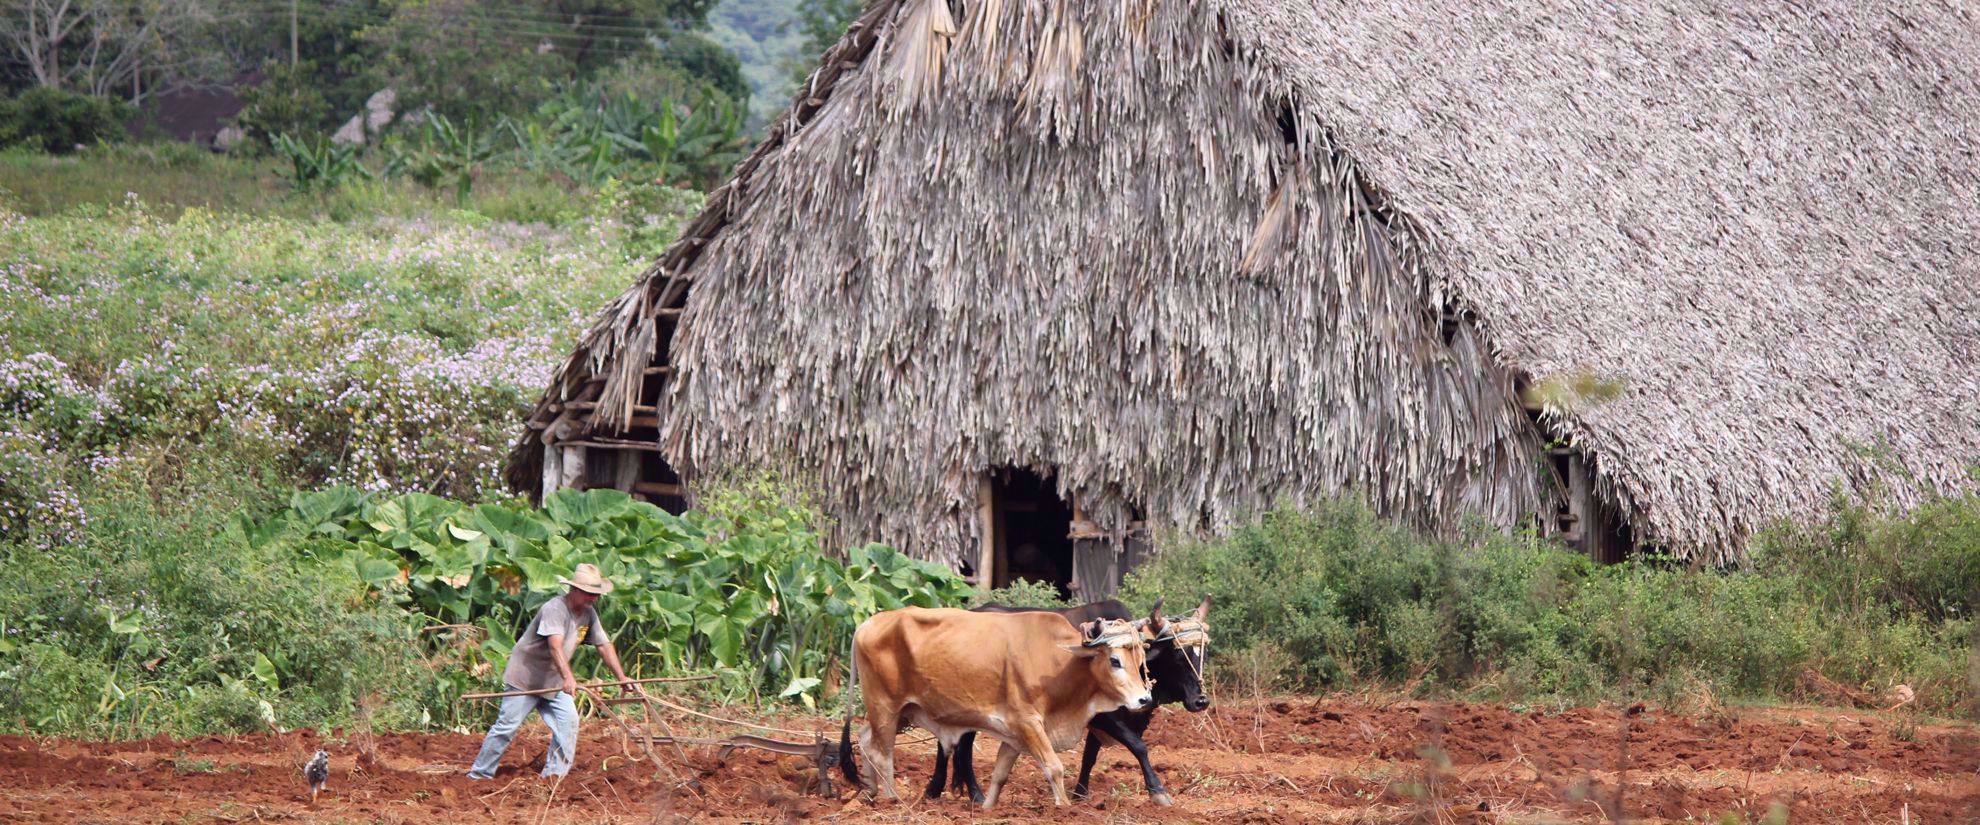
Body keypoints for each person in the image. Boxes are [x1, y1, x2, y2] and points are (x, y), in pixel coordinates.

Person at [467, 563, 645, 779]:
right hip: (526, 678)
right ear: (575, 590)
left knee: (568, 723)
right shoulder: (555, 609)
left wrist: (621, 677)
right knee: (506, 727)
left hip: (554, 681)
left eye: (596, 595)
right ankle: (479, 775)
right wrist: (568, 677)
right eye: (590, 594)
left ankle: (553, 778)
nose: (594, 599)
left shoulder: (588, 613)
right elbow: (555, 646)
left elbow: (604, 645)